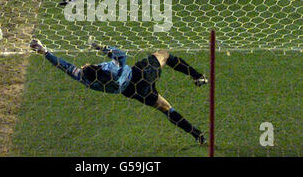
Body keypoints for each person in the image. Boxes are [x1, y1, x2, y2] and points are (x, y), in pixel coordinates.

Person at [30, 38, 208, 144]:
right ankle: (198, 76)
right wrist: (102, 48)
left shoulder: (89, 82)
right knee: (164, 55)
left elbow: (67, 67)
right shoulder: (112, 69)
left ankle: (197, 134)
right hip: (141, 75)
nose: (82, 65)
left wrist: (44, 52)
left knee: (165, 107)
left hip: (134, 92)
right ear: (95, 67)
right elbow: (121, 55)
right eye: (85, 65)